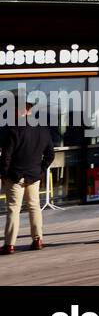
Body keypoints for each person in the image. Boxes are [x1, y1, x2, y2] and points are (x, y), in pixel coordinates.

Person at [1, 93, 55, 254]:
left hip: (15, 176)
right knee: (34, 207)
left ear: (21, 110)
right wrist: (41, 170)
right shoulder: (43, 130)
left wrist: (3, 174)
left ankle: (9, 245)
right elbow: (50, 154)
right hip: (34, 175)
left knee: (13, 209)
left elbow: (6, 156)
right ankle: (38, 240)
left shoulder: (13, 129)